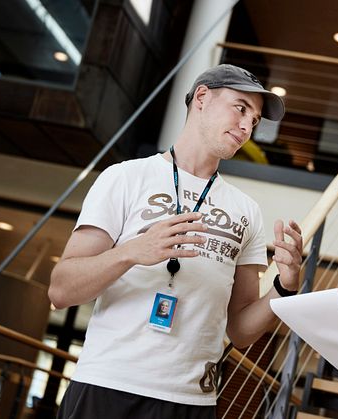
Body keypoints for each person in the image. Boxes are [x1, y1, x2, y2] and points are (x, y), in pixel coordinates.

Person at [48, 64, 304, 419]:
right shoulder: (125, 177)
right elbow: (61, 290)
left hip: (190, 402)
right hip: (107, 387)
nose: (247, 126)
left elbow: (241, 330)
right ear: (202, 97)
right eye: (241, 108)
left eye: (256, 120)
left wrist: (284, 287)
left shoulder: (247, 211)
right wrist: (131, 252)